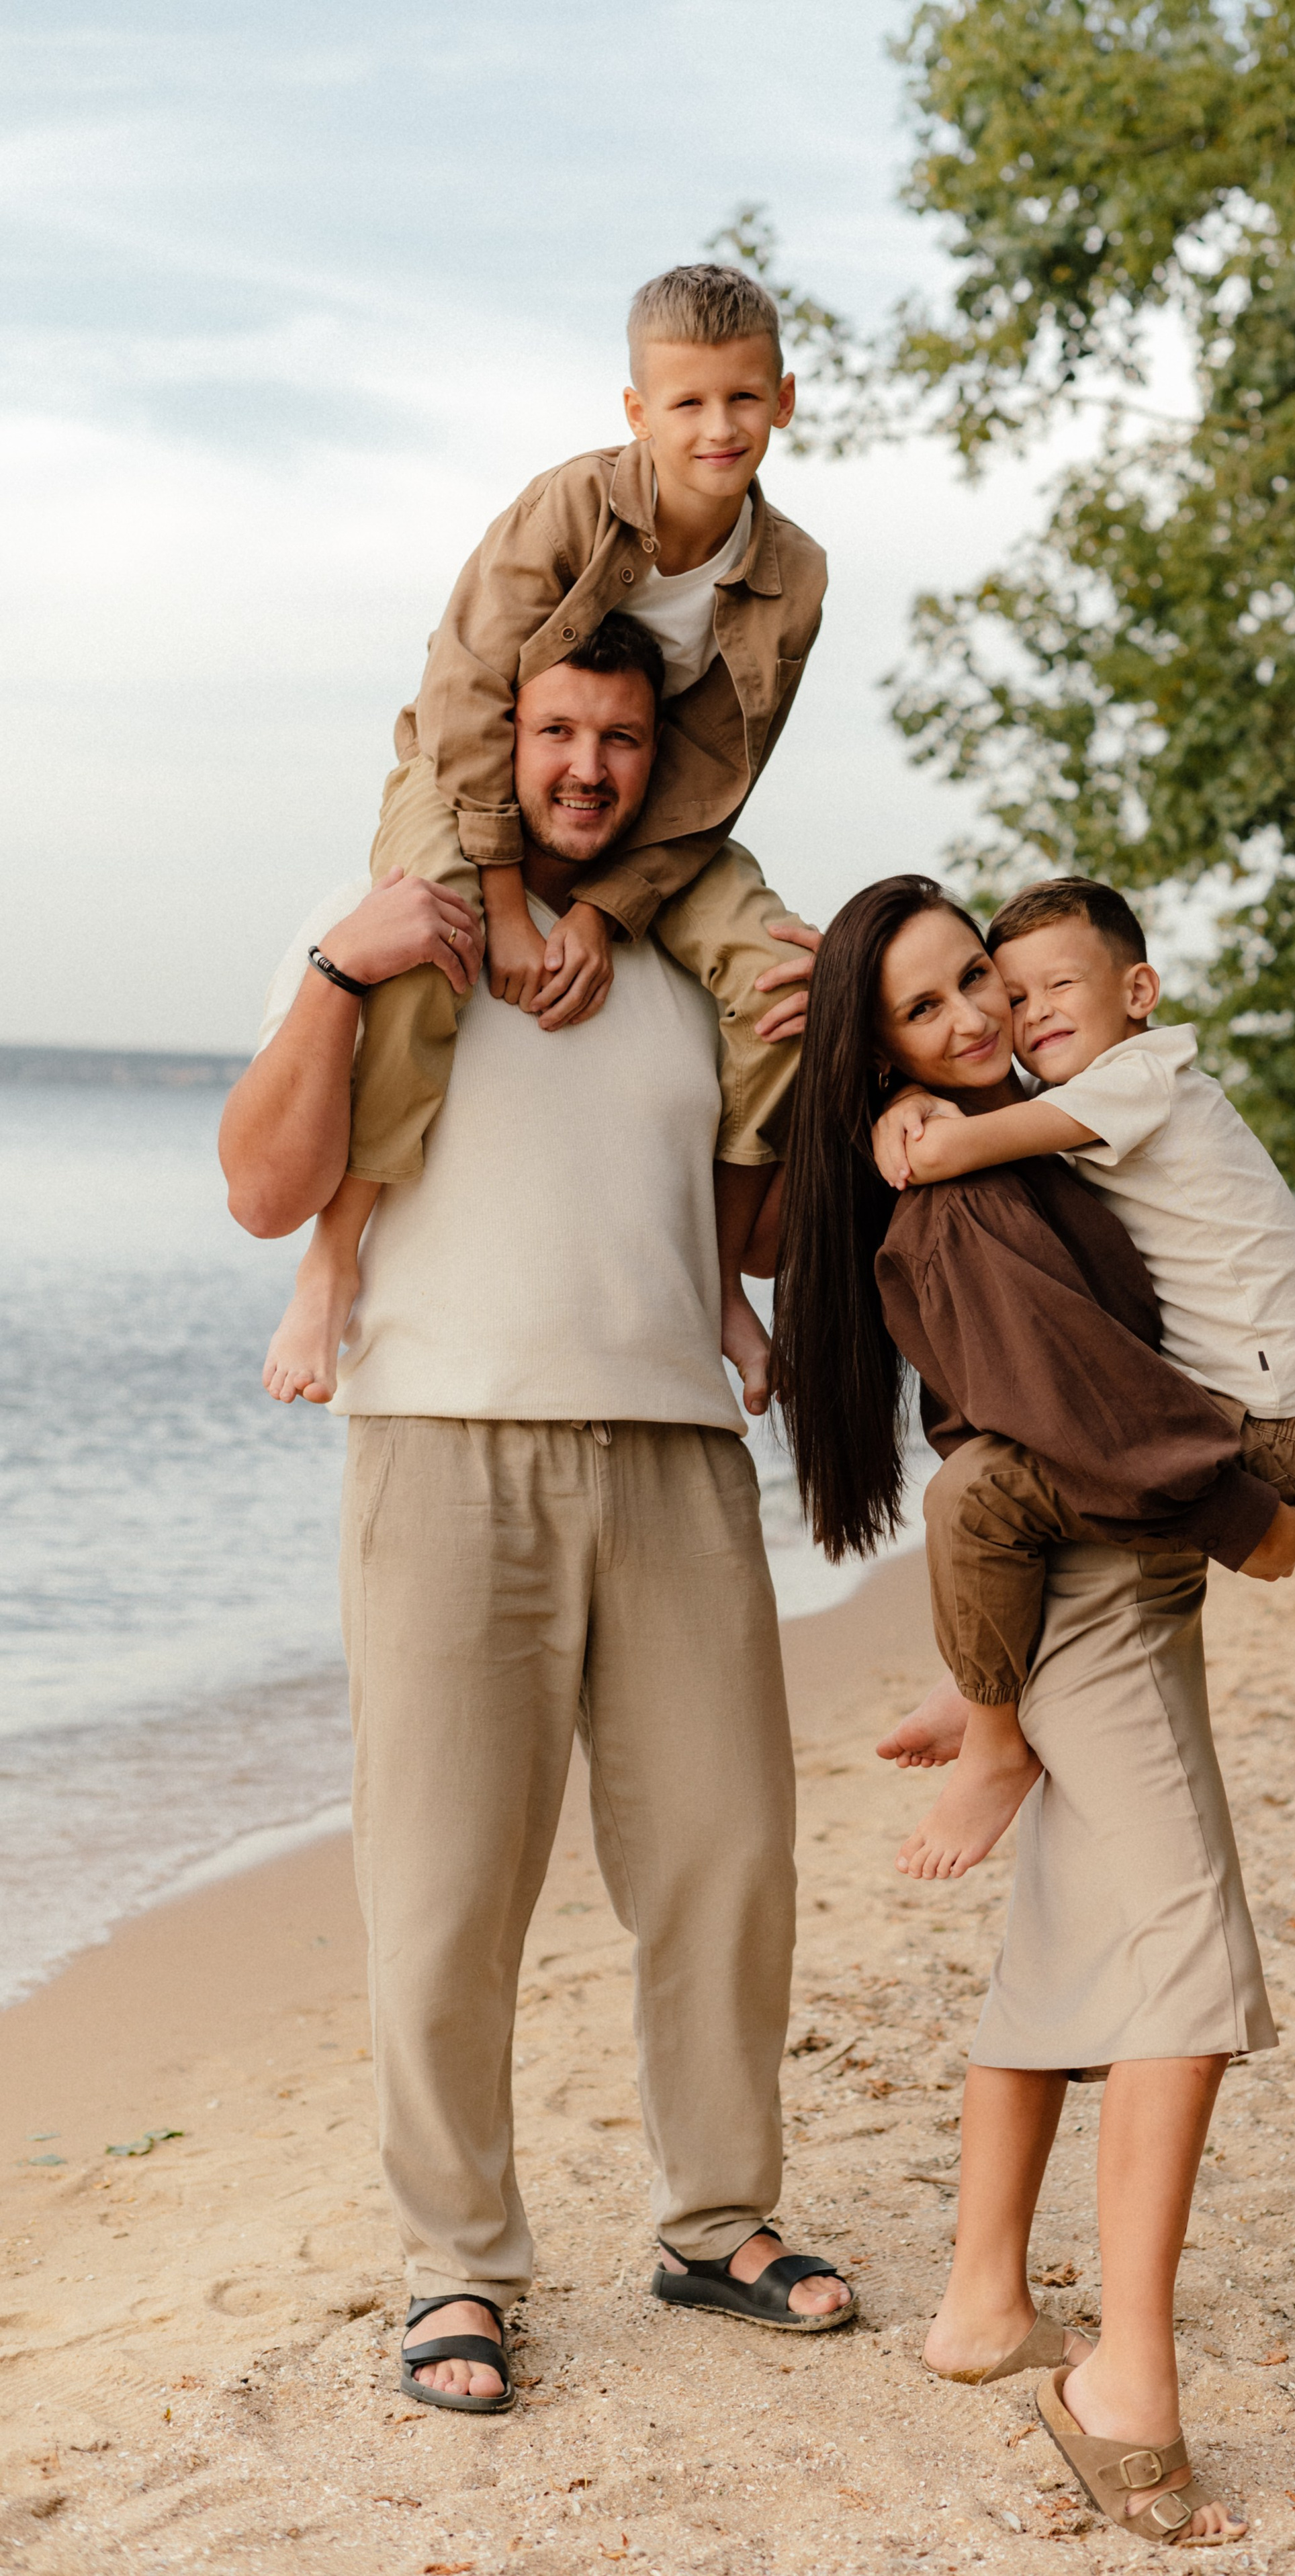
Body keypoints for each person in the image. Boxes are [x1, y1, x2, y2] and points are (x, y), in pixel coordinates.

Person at [220, 623, 850, 2421]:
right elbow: (267, 1188)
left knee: (725, 1859)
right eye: (560, 731)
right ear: (508, 737)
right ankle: (458, 2267)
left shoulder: (674, 957)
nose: (588, 766)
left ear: (662, 763)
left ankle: (717, 2218)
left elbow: (751, 1240)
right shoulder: (385, 921)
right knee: (441, 1891)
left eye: (623, 740)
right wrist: (339, 977)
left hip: (671, 1447)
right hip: (439, 1443)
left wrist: (821, 1078)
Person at [772, 875, 1295, 2544]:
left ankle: (981, 2305)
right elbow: (1069, 1418)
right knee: (1183, 1953)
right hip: (1098, 1586)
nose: (979, 1025)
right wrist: (1258, 1517)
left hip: (1088, 1587)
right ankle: (1128, 2385)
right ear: (879, 1063)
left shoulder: (1030, 1128)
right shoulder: (956, 1185)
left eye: (982, 989)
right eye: (931, 1009)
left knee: (1077, 1923)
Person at [262, 261, 826, 1419]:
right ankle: (335, 1249)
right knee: (433, 938)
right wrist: (511, 903)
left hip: (652, 814)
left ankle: (722, 1282)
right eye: (686, 403)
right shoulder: (571, 505)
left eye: (742, 400)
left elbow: (719, 765)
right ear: (637, 413)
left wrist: (608, 910)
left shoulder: (796, 575)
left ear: (782, 400)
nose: (717, 429)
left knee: (783, 983)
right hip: (468, 772)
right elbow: (468, 687)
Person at [869, 874, 1295, 1875]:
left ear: (1139, 991)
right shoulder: (1099, 1102)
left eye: (1060, 986)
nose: (1029, 1011)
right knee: (1025, 1448)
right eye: (1017, 992)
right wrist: (912, 1093)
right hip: (1257, 1408)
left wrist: (911, 1112)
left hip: (1268, 1432)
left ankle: (992, 1729)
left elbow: (972, 1144)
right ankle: (984, 1678)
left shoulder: (1140, 1079)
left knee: (979, 1501)